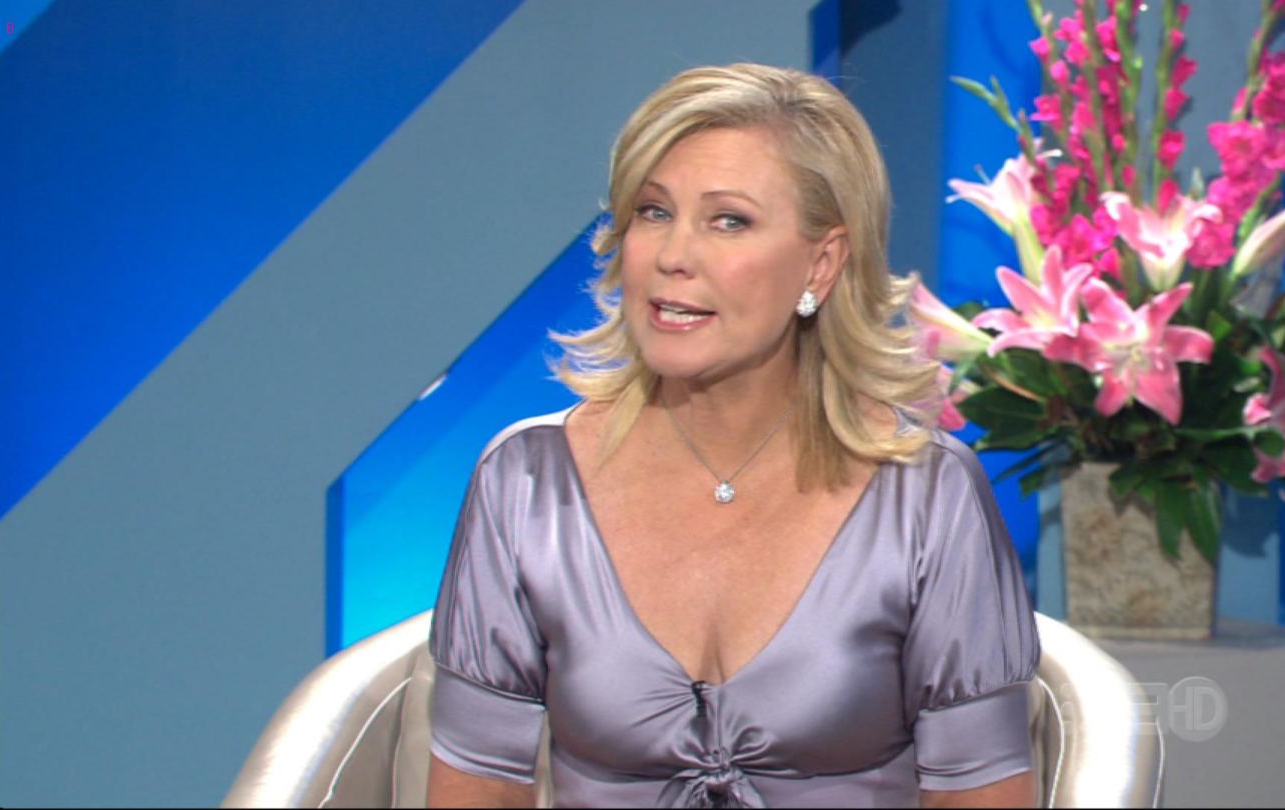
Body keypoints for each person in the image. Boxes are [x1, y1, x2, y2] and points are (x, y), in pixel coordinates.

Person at [424, 63, 1040, 809]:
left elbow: (979, 794)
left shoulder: (927, 497)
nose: (673, 256)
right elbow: (476, 788)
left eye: (728, 221)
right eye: (653, 212)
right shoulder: (525, 482)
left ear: (822, 263)